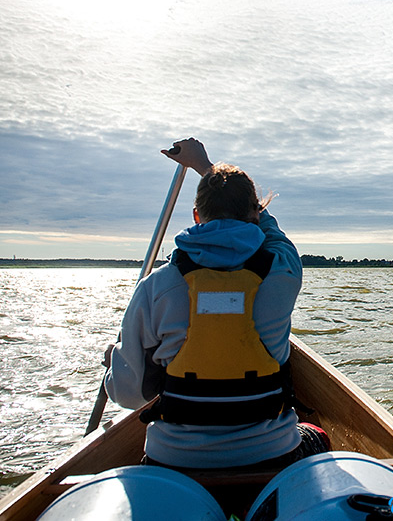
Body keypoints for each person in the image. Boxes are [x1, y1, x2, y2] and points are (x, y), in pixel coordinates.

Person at [105, 138, 328, 512]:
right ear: (255, 214)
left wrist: (113, 365)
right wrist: (204, 165)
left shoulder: (156, 287)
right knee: (317, 434)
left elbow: (129, 397)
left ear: (196, 216)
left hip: (173, 463)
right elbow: (272, 233)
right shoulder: (283, 270)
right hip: (271, 455)